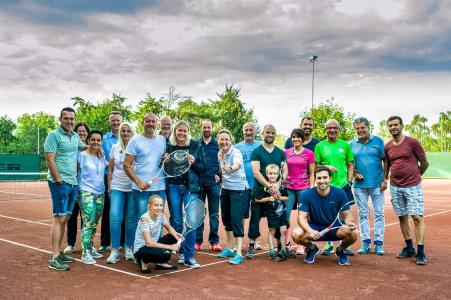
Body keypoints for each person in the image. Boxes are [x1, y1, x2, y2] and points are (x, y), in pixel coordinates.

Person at [384, 116, 429, 265]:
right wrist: (385, 178)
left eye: (396, 124)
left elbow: (424, 163)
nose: (393, 127)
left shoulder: (413, 142)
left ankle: (420, 252)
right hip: (396, 186)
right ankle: (410, 249)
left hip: (412, 185)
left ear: (402, 125)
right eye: (390, 125)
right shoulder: (388, 146)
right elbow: (387, 165)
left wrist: (416, 176)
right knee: (402, 217)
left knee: (417, 217)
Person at [292, 165, 358, 266]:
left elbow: (347, 215)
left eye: (325, 177)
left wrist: (349, 223)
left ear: (330, 178)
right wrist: (311, 231)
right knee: (296, 234)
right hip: (314, 229)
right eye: (319, 178)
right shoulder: (306, 194)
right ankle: (311, 248)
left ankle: (341, 250)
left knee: (353, 233)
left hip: (335, 229)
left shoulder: (340, 193)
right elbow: (301, 218)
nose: (322, 181)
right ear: (315, 179)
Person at [44, 107, 85, 271]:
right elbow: (50, 160)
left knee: (66, 218)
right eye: (66, 118)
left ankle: (59, 252)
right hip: (60, 183)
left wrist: (99, 146)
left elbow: (85, 147)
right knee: (59, 218)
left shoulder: (75, 136)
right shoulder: (53, 136)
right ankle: (54, 257)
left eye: (71, 118)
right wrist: (59, 180)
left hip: (73, 183)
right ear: (60, 119)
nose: (69, 121)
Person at [165, 121, 206, 269]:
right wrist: (165, 161)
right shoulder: (169, 146)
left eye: (184, 131)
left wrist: (194, 162)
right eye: (179, 130)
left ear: (187, 132)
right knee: (176, 221)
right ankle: (181, 252)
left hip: (191, 187)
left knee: (191, 222)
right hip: (173, 187)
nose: (181, 133)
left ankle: (189, 256)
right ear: (175, 131)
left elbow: (203, 168)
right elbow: (164, 168)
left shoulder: (195, 146)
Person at [123, 113, 167, 248]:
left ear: (157, 124)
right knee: (140, 220)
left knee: (157, 221)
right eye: (147, 121)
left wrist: (163, 161)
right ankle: (135, 249)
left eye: (153, 121)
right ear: (142, 123)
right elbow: (126, 165)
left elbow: (160, 164)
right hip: (141, 189)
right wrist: (139, 183)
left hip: (159, 188)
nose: (150, 123)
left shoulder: (162, 140)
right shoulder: (135, 140)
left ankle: (154, 251)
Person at [314, 119, 355, 255]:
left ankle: (345, 245)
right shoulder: (320, 146)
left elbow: (350, 164)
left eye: (335, 128)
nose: (332, 130)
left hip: (343, 186)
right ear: (325, 130)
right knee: (328, 215)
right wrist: (326, 167)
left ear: (338, 129)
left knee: (345, 215)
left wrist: (349, 180)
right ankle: (329, 244)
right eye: (329, 128)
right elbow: (316, 166)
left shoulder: (345, 145)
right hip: (327, 187)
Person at [246, 124, 286, 259]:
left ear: (275, 134)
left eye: (273, 133)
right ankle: (251, 246)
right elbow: (256, 172)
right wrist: (270, 185)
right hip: (259, 190)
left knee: (277, 218)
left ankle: (280, 247)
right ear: (262, 134)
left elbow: (284, 171)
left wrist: (278, 185)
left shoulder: (280, 152)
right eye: (267, 132)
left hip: (276, 191)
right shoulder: (256, 151)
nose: (270, 135)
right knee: (255, 218)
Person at [349, 117, 387, 255]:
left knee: (379, 213)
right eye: (357, 128)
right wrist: (354, 174)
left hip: (377, 184)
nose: (360, 130)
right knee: (363, 214)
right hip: (359, 186)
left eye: (362, 128)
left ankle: (378, 244)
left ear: (368, 127)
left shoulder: (378, 141)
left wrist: (384, 179)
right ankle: (365, 243)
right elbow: (350, 164)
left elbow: (385, 161)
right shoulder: (351, 144)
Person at [215, 129, 249, 265]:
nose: (224, 142)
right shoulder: (219, 153)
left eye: (226, 139)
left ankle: (239, 253)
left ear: (231, 141)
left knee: (236, 220)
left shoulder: (236, 152)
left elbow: (237, 165)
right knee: (226, 219)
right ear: (218, 140)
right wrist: (220, 177)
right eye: (221, 139)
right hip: (225, 189)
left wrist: (231, 168)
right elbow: (222, 171)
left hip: (238, 189)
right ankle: (229, 248)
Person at [106, 122, 136, 264]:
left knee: (130, 219)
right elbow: (110, 169)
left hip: (132, 187)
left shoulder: (137, 147)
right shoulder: (114, 147)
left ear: (132, 132)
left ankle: (129, 248)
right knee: (115, 217)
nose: (125, 133)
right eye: (123, 131)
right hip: (117, 186)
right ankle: (115, 251)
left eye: (128, 131)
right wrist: (109, 186)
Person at [77, 130, 109, 264]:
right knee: (88, 221)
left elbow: (111, 166)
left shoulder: (102, 156)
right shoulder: (81, 155)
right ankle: (85, 252)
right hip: (85, 192)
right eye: (93, 139)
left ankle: (90, 247)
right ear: (88, 140)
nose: (96, 142)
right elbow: (75, 172)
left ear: (101, 142)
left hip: (100, 193)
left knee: (95, 222)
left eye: (98, 140)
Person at [283, 128, 315, 254]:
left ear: (303, 139)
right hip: (288, 189)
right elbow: (283, 170)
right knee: (285, 216)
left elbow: (312, 173)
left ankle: (301, 244)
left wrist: (311, 189)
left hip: (303, 188)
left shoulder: (309, 153)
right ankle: (286, 243)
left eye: (298, 137)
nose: (296, 139)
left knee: (302, 217)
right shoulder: (286, 152)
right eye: (294, 137)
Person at [133, 195, 182, 273]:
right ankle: (143, 261)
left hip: (154, 244)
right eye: (156, 205)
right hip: (142, 248)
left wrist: (177, 236)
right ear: (149, 206)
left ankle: (161, 264)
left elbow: (169, 228)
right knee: (164, 255)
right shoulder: (144, 219)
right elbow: (149, 243)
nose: (159, 208)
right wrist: (170, 247)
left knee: (173, 237)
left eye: (161, 205)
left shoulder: (161, 215)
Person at [235, 122, 263, 250]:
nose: (248, 132)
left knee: (255, 215)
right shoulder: (237, 147)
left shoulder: (260, 146)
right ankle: (238, 242)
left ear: (255, 131)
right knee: (241, 215)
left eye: (251, 130)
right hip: (242, 186)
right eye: (246, 130)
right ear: (243, 131)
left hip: (257, 186)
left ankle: (254, 241)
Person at [63, 122, 90, 255]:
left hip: (87, 190)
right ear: (75, 133)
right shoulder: (72, 148)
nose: (82, 133)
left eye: (84, 131)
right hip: (73, 187)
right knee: (71, 216)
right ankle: (71, 244)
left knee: (87, 219)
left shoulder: (92, 149)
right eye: (79, 131)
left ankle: (87, 245)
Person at [196, 119, 222, 252]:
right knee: (199, 212)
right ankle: (197, 241)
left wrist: (220, 176)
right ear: (201, 128)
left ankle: (214, 241)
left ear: (212, 128)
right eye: (204, 127)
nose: (206, 129)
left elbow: (222, 163)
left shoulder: (217, 144)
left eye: (209, 127)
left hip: (213, 183)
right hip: (199, 184)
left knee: (214, 214)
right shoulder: (196, 144)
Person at [99, 111, 123, 253]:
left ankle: (121, 243)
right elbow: (100, 156)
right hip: (107, 178)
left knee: (123, 213)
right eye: (113, 120)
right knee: (107, 210)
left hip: (124, 179)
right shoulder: (104, 138)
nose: (116, 123)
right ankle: (104, 242)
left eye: (118, 121)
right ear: (110, 122)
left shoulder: (128, 138)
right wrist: (110, 164)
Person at [255, 164, 289, 262]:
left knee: (283, 230)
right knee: (272, 231)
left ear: (278, 175)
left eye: (275, 174)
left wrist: (278, 197)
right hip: (271, 212)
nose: (272, 175)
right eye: (270, 173)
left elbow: (286, 197)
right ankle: (271, 250)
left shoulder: (281, 186)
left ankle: (283, 249)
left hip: (282, 211)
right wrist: (269, 198)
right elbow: (257, 199)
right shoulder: (264, 187)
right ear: (266, 174)